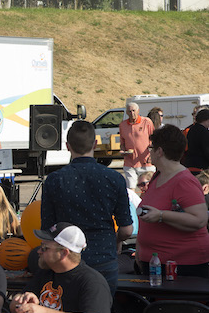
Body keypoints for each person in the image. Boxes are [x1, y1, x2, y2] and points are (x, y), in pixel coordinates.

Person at [41, 120, 133, 295]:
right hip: (103, 257)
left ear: (68, 146)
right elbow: (127, 230)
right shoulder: (114, 178)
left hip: (66, 260)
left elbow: (47, 228)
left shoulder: (54, 180)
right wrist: (117, 241)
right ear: (95, 144)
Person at [136, 125, 209, 276]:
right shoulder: (158, 176)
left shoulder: (183, 181)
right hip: (156, 264)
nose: (150, 152)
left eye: (152, 147)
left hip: (182, 268)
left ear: (160, 151)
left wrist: (162, 215)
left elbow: (200, 219)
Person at [120, 102, 155, 189]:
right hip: (129, 162)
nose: (132, 113)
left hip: (145, 162)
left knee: (149, 188)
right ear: (127, 113)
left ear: (138, 111)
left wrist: (152, 153)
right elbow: (122, 143)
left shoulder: (146, 122)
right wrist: (123, 151)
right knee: (130, 189)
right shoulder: (123, 125)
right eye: (129, 111)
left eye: (133, 110)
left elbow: (154, 140)